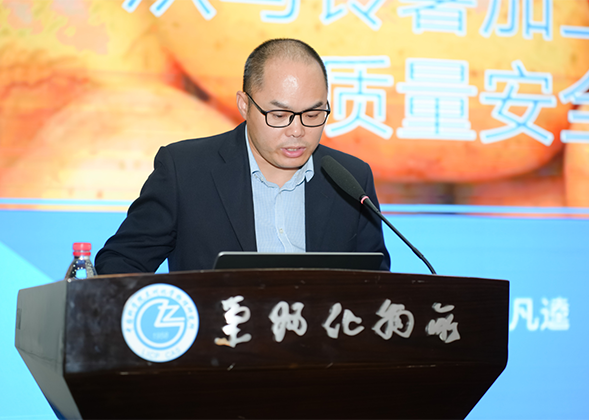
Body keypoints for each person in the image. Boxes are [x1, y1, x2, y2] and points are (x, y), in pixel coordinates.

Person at [95, 38, 390, 274]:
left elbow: (377, 282)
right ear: (244, 105)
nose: (297, 131)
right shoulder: (185, 171)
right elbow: (120, 263)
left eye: (313, 114)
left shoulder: (352, 179)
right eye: (279, 115)